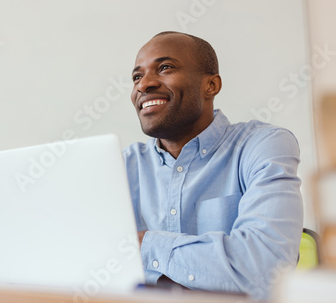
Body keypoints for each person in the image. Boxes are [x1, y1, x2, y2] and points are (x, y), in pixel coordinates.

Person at [124, 31, 303, 300]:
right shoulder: (122, 167)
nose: (144, 84)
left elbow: (265, 270)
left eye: (165, 68)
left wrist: (144, 246)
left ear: (211, 85)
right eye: (137, 76)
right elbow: (88, 266)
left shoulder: (263, 146)